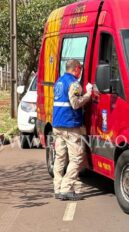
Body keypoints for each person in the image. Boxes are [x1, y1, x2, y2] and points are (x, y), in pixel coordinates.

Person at [52, 59, 93, 201]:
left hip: (57, 125)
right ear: (75, 68)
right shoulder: (74, 84)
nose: (81, 71)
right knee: (76, 157)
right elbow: (75, 104)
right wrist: (88, 94)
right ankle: (66, 188)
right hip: (70, 125)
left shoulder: (59, 81)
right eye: (80, 68)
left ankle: (57, 188)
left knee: (60, 157)